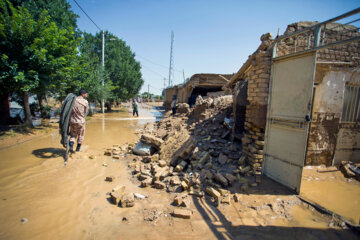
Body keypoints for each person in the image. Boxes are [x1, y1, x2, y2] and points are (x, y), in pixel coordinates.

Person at [69, 89, 89, 153]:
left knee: (73, 135)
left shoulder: (73, 100)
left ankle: (70, 148)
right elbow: (85, 112)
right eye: (86, 94)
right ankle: (77, 150)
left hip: (73, 121)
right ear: (83, 94)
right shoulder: (85, 102)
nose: (86, 95)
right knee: (81, 136)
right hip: (81, 121)